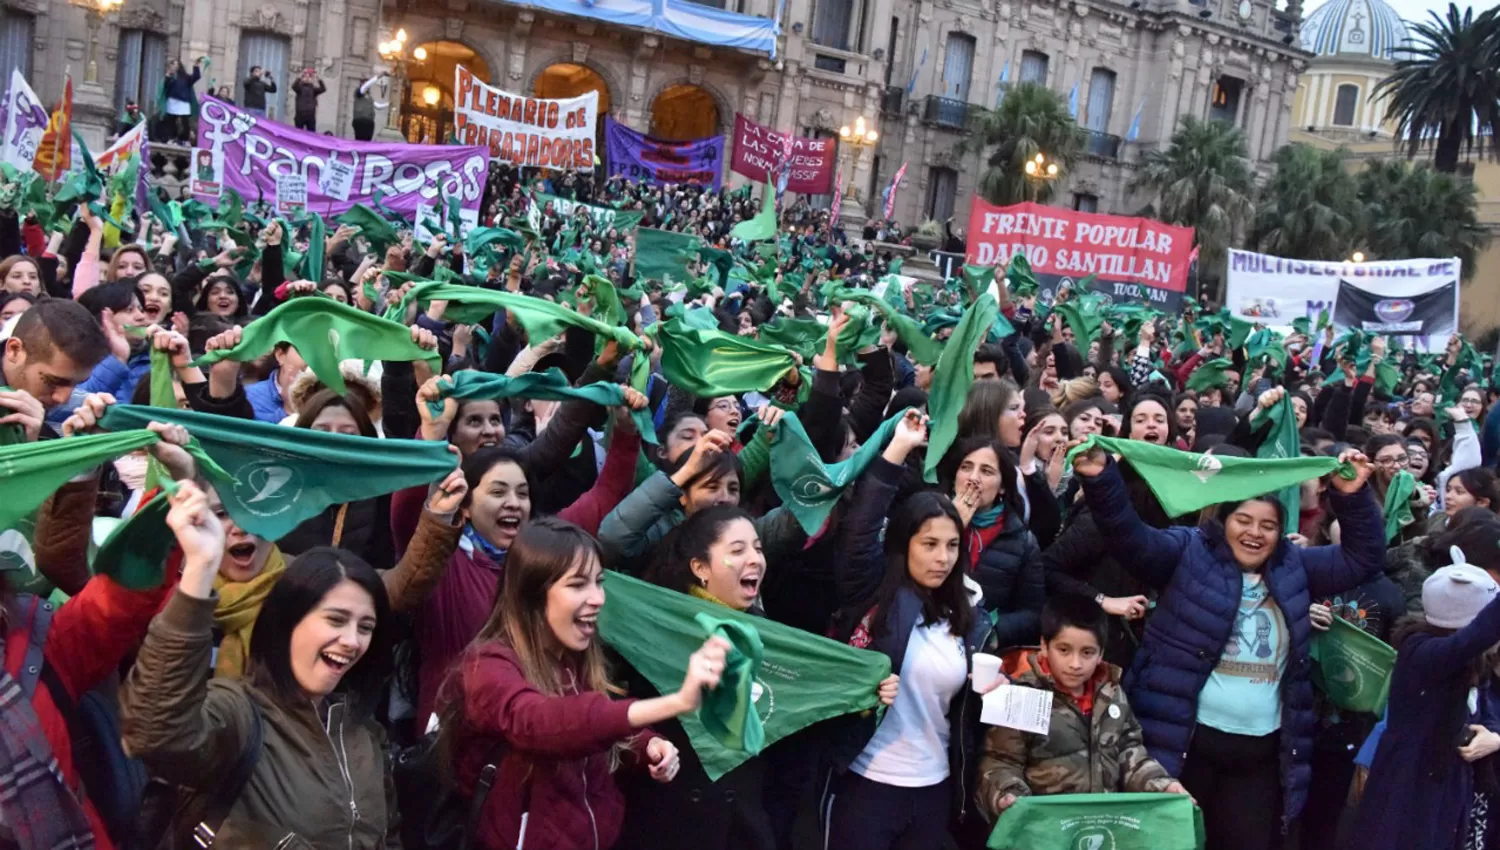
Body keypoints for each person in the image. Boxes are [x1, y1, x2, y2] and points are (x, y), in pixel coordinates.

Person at [1070, 438, 1381, 850]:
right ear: (1224, 519)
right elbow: (1130, 538)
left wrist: (1353, 495)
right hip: (1181, 746)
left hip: (1259, 759)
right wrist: (1100, 478)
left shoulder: (1296, 566)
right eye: (1244, 520)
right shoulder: (1189, 552)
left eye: (1268, 525)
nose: (1254, 533)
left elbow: (1363, 558)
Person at [120, 482, 404, 847]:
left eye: (365, 627)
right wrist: (200, 570)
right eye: (335, 620)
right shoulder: (238, 715)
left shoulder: (364, 733)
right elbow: (154, 733)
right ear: (288, 621)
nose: (352, 641)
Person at [439, 517, 726, 850]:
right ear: (532, 594)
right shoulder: (488, 666)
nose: (598, 598)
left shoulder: (573, 659)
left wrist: (646, 745)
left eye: (599, 582)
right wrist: (675, 702)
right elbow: (540, 723)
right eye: (577, 585)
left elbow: (594, 727)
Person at [824, 412, 991, 849]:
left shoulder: (968, 613)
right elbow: (861, 528)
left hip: (934, 789)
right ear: (904, 545)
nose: (943, 558)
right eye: (930, 544)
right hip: (866, 783)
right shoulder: (873, 594)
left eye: (952, 546)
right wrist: (899, 446)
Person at [978, 596, 1189, 820]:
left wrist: (1162, 785)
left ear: (1101, 654)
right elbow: (1001, 761)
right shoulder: (1021, 695)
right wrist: (1008, 796)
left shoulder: (1113, 693)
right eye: (1064, 650)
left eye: (1087, 652)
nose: (1075, 664)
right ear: (1044, 646)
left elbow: (1131, 753)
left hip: (1102, 825)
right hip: (1045, 829)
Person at [1351, 562, 1500, 850]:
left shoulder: (1469, 659)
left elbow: (1483, 708)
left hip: (1450, 782)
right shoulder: (1422, 653)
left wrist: (1493, 735)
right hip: (1408, 786)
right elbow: (1475, 637)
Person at [161, 58, 202, 144]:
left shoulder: (185, 77)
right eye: (173, 64)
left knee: (185, 122)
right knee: (171, 121)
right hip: (172, 101)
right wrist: (168, 76)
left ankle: (185, 140)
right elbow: (166, 88)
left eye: (177, 64)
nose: (175, 66)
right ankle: (172, 138)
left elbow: (196, 77)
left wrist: (196, 66)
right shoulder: (169, 77)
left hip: (184, 102)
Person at [352, 72, 388, 141]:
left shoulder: (370, 97)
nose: (368, 86)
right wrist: (379, 76)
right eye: (365, 83)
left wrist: (388, 104)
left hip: (369, 122)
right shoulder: (358, 92)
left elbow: (378, 106)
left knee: (367, 141)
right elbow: (365, 86)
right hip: (360, 121)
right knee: (360, 141)